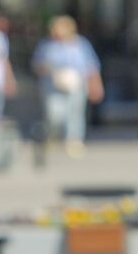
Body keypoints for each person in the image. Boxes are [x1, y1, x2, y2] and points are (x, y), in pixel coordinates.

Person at [32, 16, 105, 157]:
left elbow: (91, 66)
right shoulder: (47, 46)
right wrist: (51, 70)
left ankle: (74, 141)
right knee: (54, 114)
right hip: (52, 84)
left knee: (75, 113)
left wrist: (96, 85)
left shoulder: (81, 44)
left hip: (77, 83)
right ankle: (53, 136)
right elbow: (37, 65)